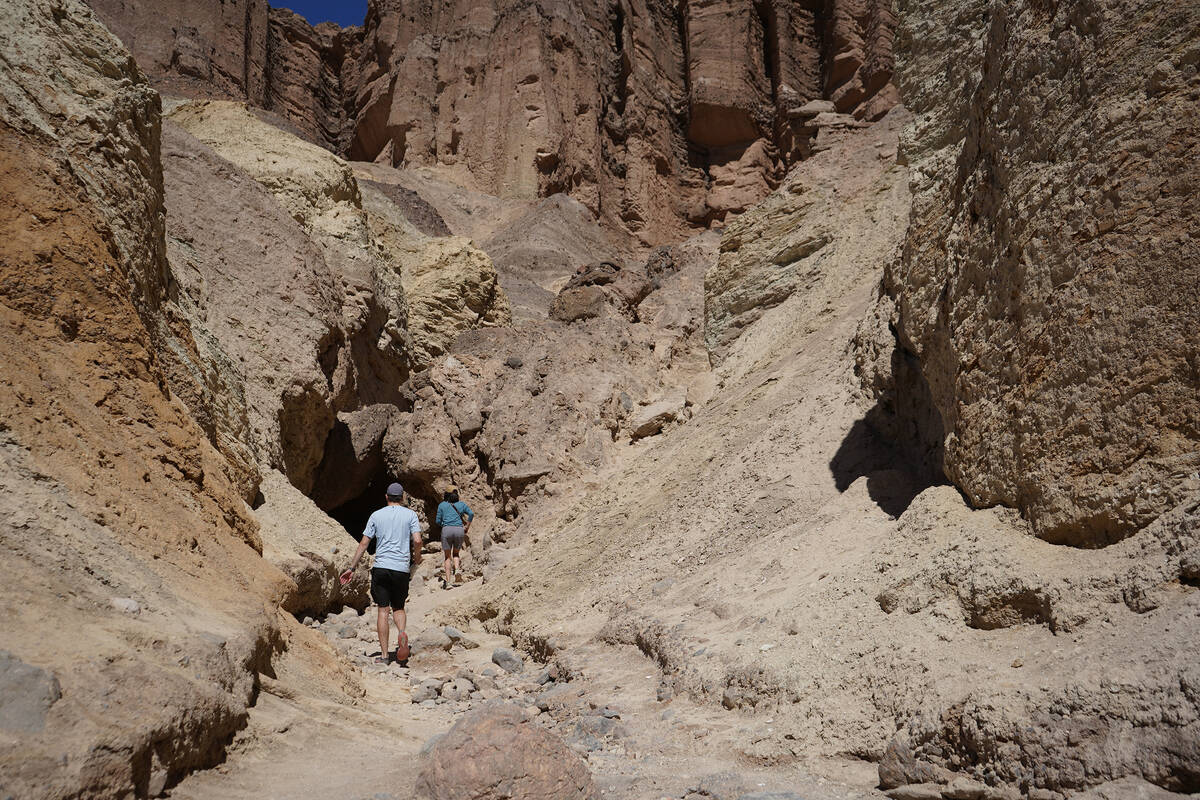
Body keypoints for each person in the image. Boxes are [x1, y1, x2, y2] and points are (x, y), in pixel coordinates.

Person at [339, 482, 422, 664]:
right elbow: (417, 540)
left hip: (382, 567)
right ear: (402, 498)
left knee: (383, 611)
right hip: (401, 568)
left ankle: (384, 656)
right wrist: (417, 558)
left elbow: (364, 543)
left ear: (386, 497)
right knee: (398, 607)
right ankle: (401, 633)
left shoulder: (376, 515)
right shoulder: (411, 515)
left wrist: (351, 568)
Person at [434, 486, 473, 588]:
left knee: (447, 557)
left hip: (447, 530)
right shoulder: (461, 504)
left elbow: (437, 521)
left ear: (446, 494)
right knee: (456, 553)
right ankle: (457, 570)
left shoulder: (442, 505)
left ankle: (448, 582)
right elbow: (471, 513)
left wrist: (444, 524)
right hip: (459, 530)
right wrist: (467, 526)